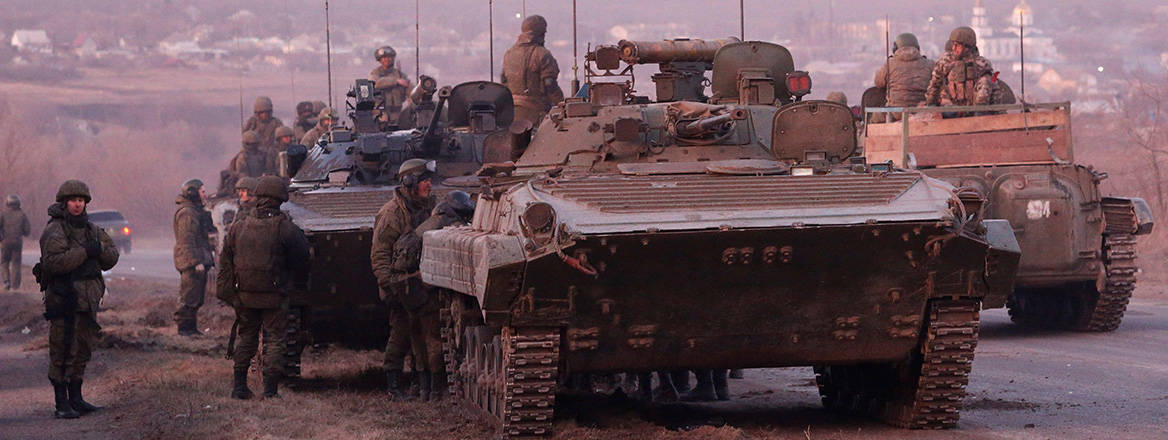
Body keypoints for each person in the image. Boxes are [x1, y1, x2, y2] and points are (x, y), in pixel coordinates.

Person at [217, 176, 310, 400]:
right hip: (274, 297)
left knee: (246, 338)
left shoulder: (238, 227)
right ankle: (270, 391)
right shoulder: (285, 228)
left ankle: (239, 387)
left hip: (245, 296)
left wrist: (231, 294)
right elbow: (303, 257)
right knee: (275, 340)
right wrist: (291, 284)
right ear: (279, 200)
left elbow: (225, 262)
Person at [36, 180, 119, 418]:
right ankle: (61, 402)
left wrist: (98, 250)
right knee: (62, 348)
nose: (77, 205)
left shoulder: (91, 229)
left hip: (87, 300)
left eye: (81, 201)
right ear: (64, 203)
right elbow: (54, 262)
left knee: (82, 348)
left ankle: (77, 397)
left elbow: (112, 255)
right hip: (64, 299)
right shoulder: (55, 230)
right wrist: (85, 252)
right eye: (73, 201)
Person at [371, 159, 437, 400]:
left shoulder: (431, 207)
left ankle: (424, 384)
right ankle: (394, 385)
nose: (429, 185)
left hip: (426, 281)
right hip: (401, 285)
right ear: (409, 183)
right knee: (400, 335)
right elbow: (380, 253)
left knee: (425, 336)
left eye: (429, 180)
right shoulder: (392, 214)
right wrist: (390, 285)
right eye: (423, 181)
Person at [500, 14, 564, 127]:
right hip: (535, 113)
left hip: (512, 114)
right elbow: (550, 84)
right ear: (541, 34)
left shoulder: (509, 54)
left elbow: (504, 83)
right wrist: (562, 104)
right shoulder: (542, 54)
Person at [172, 179, 215, 337]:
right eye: (202, 191)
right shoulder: (188, 213)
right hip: (191, 261)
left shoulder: (195, 211)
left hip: (196, 259)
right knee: (189, 295)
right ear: (193, 193)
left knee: (196, 295)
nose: (205, 195)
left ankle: (190, 328)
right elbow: (186, 240)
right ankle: (184, 329)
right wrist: (195, 262)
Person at [925, 27, 996, 108]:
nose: (953, 48)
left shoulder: (981, 64)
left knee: (985, 81)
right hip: (949, 108)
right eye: (953, 45)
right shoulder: (945, 61)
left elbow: (993, 91)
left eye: (957, 45)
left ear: (967, 48)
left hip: (975, 109)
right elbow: (934, 84)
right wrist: (931, 104)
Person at [874, 33, 934, 110]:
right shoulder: (930, 64)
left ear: (895, 49)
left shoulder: (890, 64)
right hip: (922, 110)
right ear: (917, 48)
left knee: (873, 119)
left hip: (896, 112)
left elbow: (878, 82)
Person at [370, 46, 411, 124]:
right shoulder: (376, 73)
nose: (387, 60)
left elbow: (410, 90)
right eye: (384, 58)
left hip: (397, 113)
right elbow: (376, 83)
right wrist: (396, 81)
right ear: (380, 60)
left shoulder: (400, 74)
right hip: (380, 112)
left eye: (389, 57)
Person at [1, 194, 31, 290]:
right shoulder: (22, 215)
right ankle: (15, 286)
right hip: (17, 242)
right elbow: (27, 231)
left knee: (4, 262)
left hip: (5, 242)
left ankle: (6, 281)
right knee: (16, 263)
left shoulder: (3, 214)